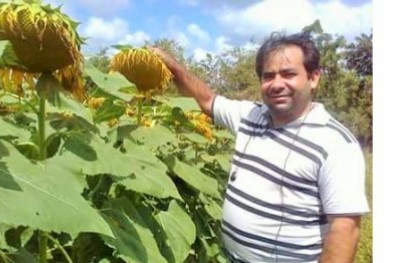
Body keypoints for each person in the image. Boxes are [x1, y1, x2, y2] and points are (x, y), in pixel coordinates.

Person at [150, 32, 369, 263]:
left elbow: (345, 229)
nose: (276, 84)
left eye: (288, 74)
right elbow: (207, 100)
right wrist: (171, 66)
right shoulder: (250, 116)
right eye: (268, 76)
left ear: (313, 78)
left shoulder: (335, 143)